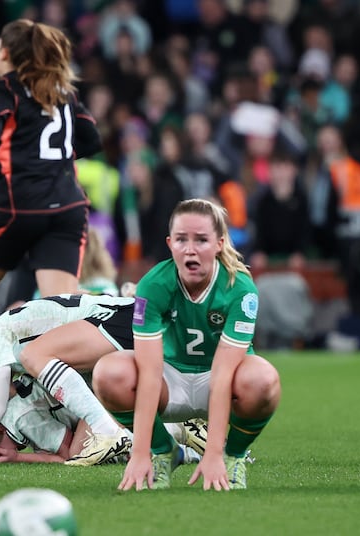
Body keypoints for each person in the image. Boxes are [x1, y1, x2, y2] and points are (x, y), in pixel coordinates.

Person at [93, 198, 281, 491]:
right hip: (171, 377)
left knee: (264, 379)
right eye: (181, 239)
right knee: (108, 373)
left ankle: (234, 457)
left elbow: (221, 376)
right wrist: (141, 450)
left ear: (219, 244)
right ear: (170, 243)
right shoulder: (152, 285)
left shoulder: (241, 289)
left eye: (201, 240)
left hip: (223, 381)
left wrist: (215, 452)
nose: (190, 249)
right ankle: (163, 451)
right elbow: (150, 372)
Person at [0, 19, 103, 337]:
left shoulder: (0, 90)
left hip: (17, 205)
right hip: (68, 207)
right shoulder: (62, 91)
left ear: (6, 53)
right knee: (61, 305)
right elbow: (92, 138)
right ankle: (62, 380)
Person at [0, 293, 134, 466]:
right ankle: (128, 433)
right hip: (118, 317)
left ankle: (110, 430)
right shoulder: (10, 347)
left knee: (35, 357)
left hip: (114, 319)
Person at [0, 379, 207, 465]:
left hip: (98, 400)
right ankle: (184, 439)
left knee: (83, 455)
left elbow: (66, 454)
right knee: (97, 448)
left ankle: (179, 435)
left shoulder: (19, 419)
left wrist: (19, 459)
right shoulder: (12, 407)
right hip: (101, 390)